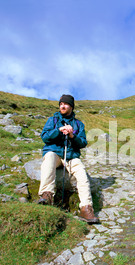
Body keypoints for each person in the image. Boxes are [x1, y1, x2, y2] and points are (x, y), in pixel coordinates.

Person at [37, 94, 99, 224]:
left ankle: (86, 208)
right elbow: (45, 137)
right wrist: (59, 130)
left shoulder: (78, 124)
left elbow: (82, 143)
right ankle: (46, 196)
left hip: (71, 157)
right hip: (54, 153)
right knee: (48, 159)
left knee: (82, 173)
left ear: (71, 106)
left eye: (65, 104)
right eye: (60, 104)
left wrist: (72, 136)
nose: (62, 106)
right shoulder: (52, 120)